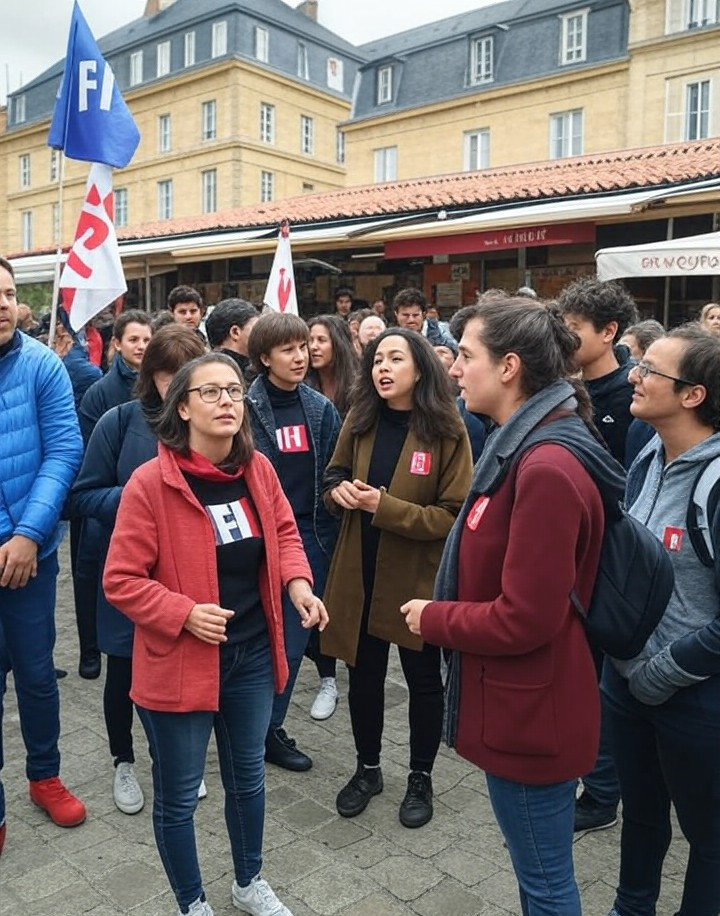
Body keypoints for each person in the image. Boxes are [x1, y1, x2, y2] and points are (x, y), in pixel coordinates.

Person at [402, 297, 614, 913]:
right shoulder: (523, 443)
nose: (454, 370)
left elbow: (527, 615)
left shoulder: (544, 463)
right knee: (538, 877)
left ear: (510, 366)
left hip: (533, 715)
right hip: (522, 701)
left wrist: (433, 616)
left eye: (466, 356)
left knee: (547, 886)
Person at [103, 352, 326, 916]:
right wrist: (182, 613)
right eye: (211, 393)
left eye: (234, 391)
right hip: (180, 660)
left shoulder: (257, 470)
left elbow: (284, 532)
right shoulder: (150, 483)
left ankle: (248, 883)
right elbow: (121, 580)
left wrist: (298, 584)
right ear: (182, 407)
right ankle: (191, 902)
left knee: (247, 778)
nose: (228, 401)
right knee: (178, 796)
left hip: (251, 654)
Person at [322, 327, 472, 828]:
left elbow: (452, 516)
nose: (382, 367)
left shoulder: (447, 429)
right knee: (363, 677)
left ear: (421, 368)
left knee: (423, 680)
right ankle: (368, 770)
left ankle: (421, 776)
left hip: (415, 577)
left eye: (394, 358)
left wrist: (382, 507)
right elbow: (334, 474)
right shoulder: (360, 418)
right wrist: (339, 493)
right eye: (376, 359)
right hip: (358, 571)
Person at [603, 324, 720, 916]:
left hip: (696, 697)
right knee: (642, 813)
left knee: (710, 835)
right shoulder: (647, 449)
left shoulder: (716, 481)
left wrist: (666, 669)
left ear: (692, 395)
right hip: (626, 682)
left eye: (650, 369)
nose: (633, 374)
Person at [68, 326, 206, 817]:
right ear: (151, 377)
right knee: (123, 668)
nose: (177, 388)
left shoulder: (211, 431)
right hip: (129, 576)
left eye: (187, 377)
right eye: (168, 376)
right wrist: (135, 497)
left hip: (191, 577)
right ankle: (122, 759)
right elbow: (80, 496)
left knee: (186, 668)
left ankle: (179, 758)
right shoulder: (119, 421)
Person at [0, 255, 85, 853]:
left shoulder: (42, 365)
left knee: (36, 675)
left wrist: (29, 533)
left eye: (7, 293)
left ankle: (45, 775)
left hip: (31, 558)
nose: (2, 304)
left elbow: (63, 450)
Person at [558, 275, 639, 832]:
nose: (565, 340)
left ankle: (603, 792)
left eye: (575, 331)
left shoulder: (634, 400)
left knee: (605, 682)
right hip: (570, 558)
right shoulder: (565, 391)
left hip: (612, 563)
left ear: (609, 333)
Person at [246, 313, 341, 759]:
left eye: (303, 347)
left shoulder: (321, 409)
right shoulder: (244, 408)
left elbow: (335, 472)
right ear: (264, 358)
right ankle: (242, 727)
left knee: (291, 639)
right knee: (253, 639)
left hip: (309, 539)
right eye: (288, 349)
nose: (300, 357)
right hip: (252, 541)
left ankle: (269, 731)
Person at [71, 309, 154, 680]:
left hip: (141, 513)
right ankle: (90, 649)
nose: (141, 346)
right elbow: (86, 457)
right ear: (116, 344)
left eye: (147, 340)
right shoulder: (100, 393)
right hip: (103, 506)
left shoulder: (160, 389)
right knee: (90, 577)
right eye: (133, 339)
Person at [306, 314, 359, 419]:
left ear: (338, 344)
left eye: (321, 340)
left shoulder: (358, 386)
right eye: (310, 340)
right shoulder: (302, 386)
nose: (313, 347)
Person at [205, 298, 259, 385]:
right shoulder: (241, 377)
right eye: (256, 329)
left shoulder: (200, 371)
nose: (261, 335)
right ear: (235, 332)